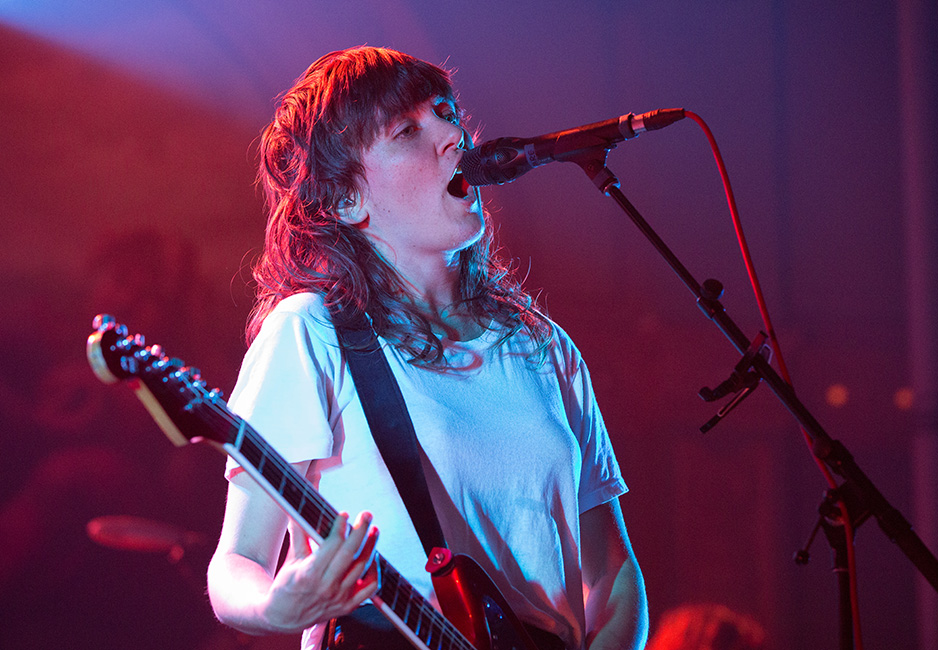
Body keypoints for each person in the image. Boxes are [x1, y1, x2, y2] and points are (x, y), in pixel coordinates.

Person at [206, 46, 648, 650]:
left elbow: (614, 573)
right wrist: (281, 605)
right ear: (345, 201)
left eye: (446, 112)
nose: (452, 136)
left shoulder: (541, 346)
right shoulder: (312, 332)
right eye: (406, 130)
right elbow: (236, 561)